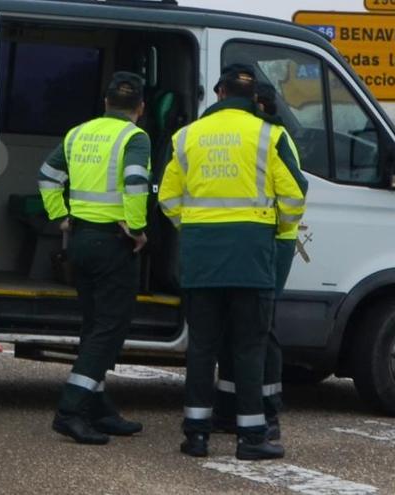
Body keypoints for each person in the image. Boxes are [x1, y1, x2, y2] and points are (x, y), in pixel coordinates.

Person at [158, 64, 307, 460]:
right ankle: (251, 439)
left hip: (201, 257)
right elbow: (294, 195)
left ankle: (196, 436)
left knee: (202, 348)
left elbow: (168, 197)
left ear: (220, 93)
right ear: (251, 95)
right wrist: (276, 231)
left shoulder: (187, 136)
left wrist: (191, 226)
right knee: (248, 348)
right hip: (251, 257)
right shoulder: (269, 135)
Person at [38, 71, 151, 445]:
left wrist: (60, 216)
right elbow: (136, 184)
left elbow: (47, 175)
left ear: (105, 103)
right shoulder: (135, 137)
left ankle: (99, 408)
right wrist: (136, 229)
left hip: (82, 242)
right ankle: (71, 409)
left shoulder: (78, 133)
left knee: (94, 326)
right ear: (140, 108)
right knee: (109, 330)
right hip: (114, 245)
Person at [213, 82, 306, 444]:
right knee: (237, 328)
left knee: (260, 329)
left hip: (272, 243)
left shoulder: (275, 135)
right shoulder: (256, 136)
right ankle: (228, 406)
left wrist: (272, 231)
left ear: (260, 104)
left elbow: (294, 196)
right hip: (256, 242)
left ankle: (268, 412)